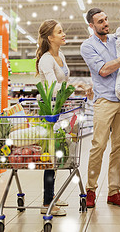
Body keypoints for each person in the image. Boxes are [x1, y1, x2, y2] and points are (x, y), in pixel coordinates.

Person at [80, 7, 120, 209]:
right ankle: (91, 190)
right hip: (104, 100)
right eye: (100, 21)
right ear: (91, 25)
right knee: (98, 146)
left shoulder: (117, 39)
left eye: (106, 19)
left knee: (118, 148)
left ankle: (114, 192)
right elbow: (104, 70)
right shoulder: (87, 46)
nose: (106, 23)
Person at [35, 19, 70, 216]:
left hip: (60, 110)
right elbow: (51, 87)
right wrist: (73, 89)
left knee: (56, 154)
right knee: (49, 157)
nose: (63, 34)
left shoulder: (61, 55)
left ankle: (52, 196)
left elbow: (65, 81)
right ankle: (46, 201)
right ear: (50, 38)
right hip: (48, 111)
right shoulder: (46, 59)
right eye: (60, 31)